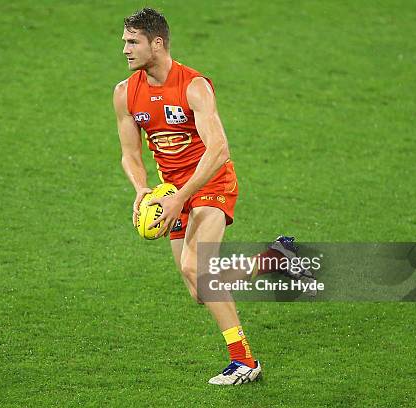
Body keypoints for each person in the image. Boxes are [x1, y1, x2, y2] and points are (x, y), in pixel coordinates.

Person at [113, 8, 312, 385]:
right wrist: (143, 190)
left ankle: (245, 362)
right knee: (201, 292)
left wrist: (180, 198)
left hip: (211, 183)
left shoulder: (193, 86)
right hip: (172, 191)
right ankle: (274, 258)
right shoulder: (125, 93)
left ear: (157, 43)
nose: (124, 49)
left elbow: (219, 148)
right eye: (124, 41)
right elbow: (130, 153)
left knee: (197, 267)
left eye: (132, 41)